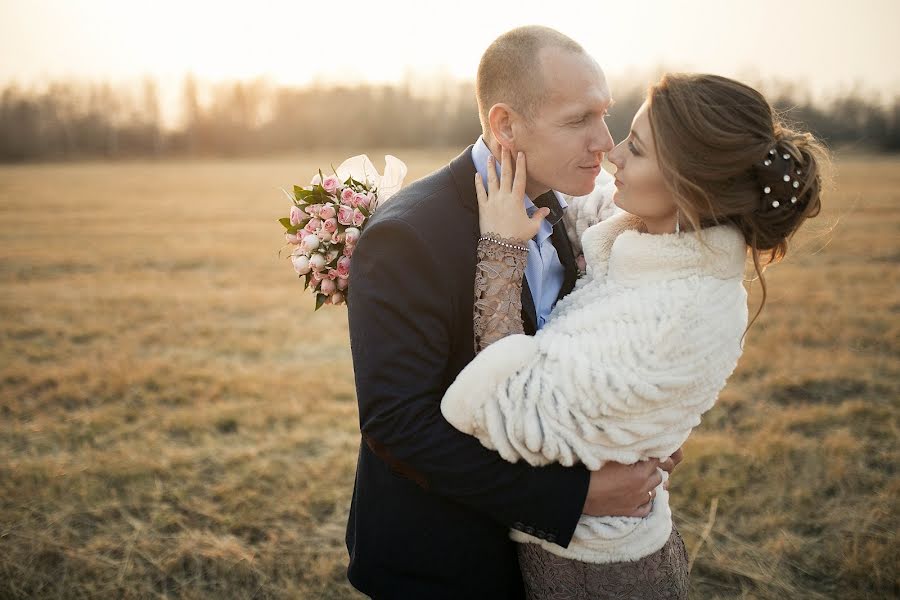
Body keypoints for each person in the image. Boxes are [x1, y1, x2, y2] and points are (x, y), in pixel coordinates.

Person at [440, 72, 827, 599]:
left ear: (692, 186)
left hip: (594, 574)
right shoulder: (652, 241)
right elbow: (584, 206)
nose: (613, 154)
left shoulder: (677, 313)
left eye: (636, 149)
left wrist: (502, 252)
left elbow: (509, 410)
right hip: (576, 544)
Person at [344, 26, 682, 598]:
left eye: (605, 114)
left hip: (551, 565)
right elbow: (397, 424)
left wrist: (634, 434)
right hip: (443, 559)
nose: (604, 141)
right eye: (579, 120)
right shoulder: (409, 235)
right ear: (505, 125)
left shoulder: (566, 204)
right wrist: (573, 496)